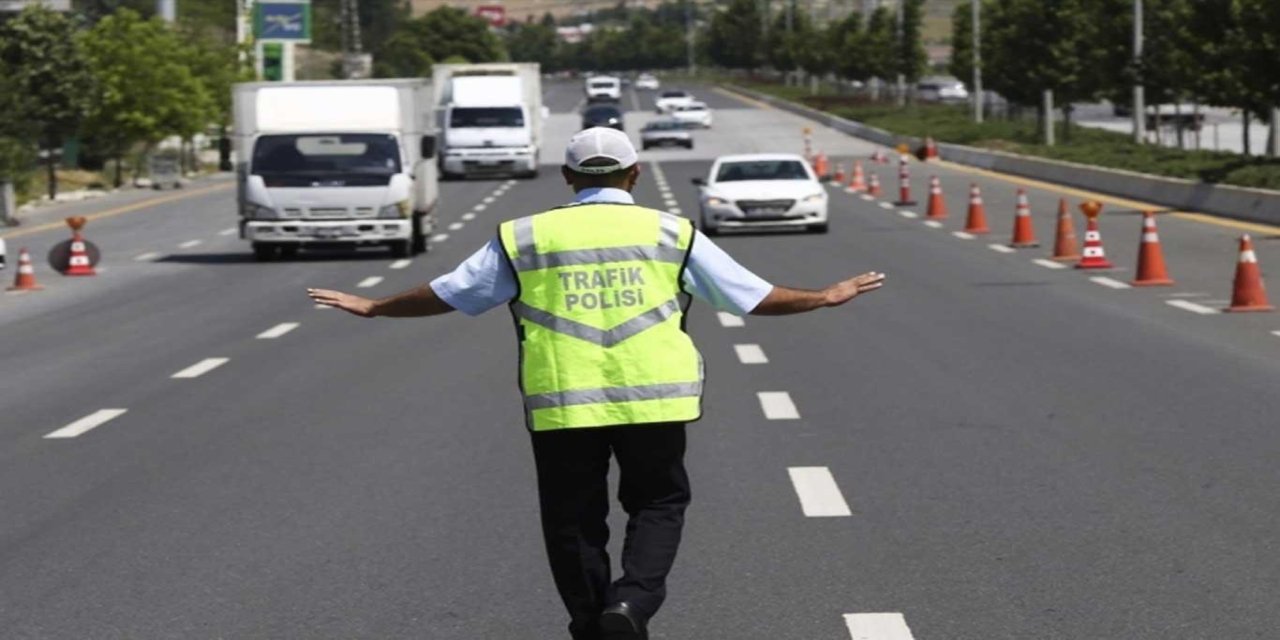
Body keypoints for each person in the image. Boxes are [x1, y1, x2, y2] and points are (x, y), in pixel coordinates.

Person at [308, 127, 886, 640]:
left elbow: (451, 293)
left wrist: (376, 306)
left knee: (572, 517)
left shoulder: (525, 236)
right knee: (658, 503)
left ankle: (590, 623)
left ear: (568, 178)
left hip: (563, 401)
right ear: (634, 174)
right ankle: (631, 603)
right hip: (656, 397)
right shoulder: (669, 231)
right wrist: (823, 296)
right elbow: (751, 296)